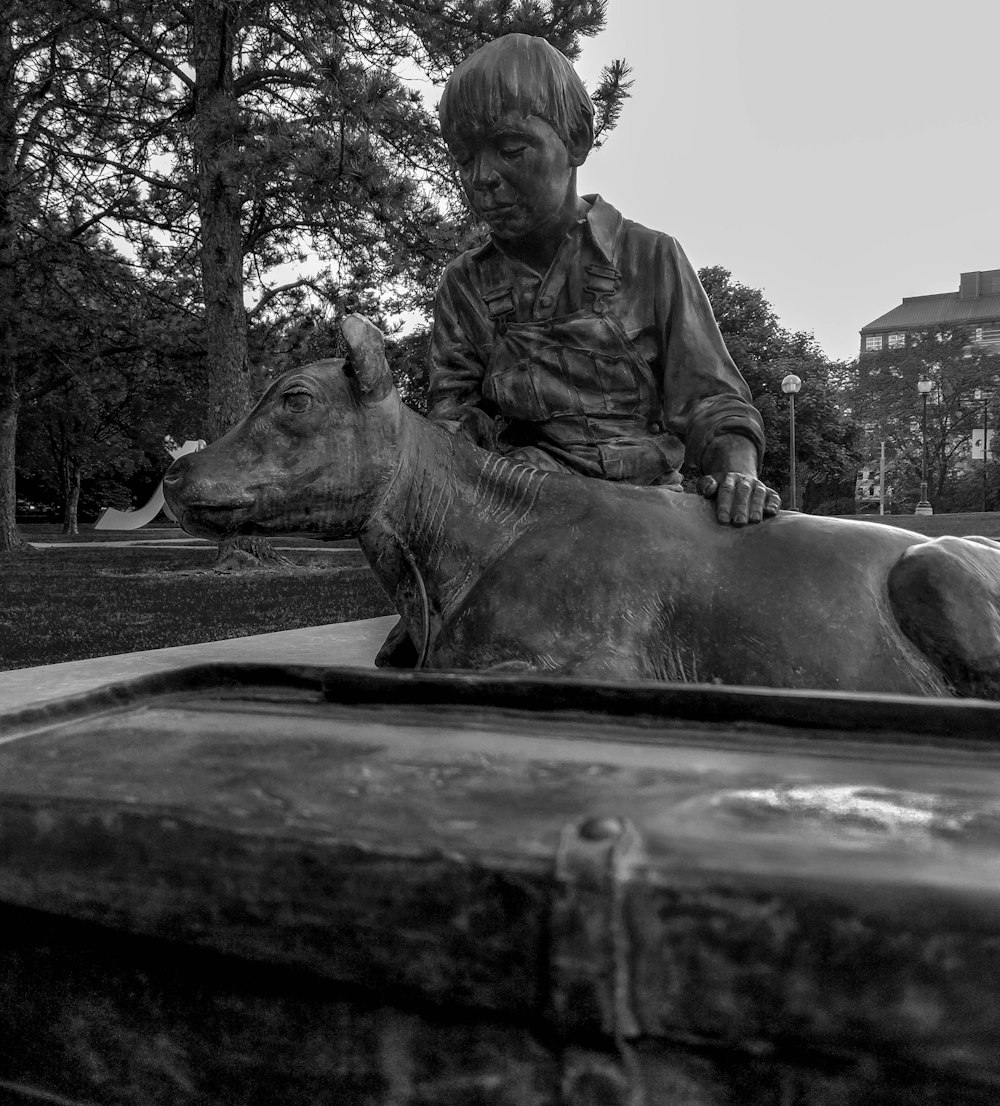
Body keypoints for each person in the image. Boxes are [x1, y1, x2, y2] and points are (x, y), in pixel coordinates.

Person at [377, 33, 779, 666]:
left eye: (511, 148)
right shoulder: (465, 285)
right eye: (463, 158)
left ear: (577, 143)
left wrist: (737, 470)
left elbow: (711, 400)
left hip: (644, 515)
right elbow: (452, 421)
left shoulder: (650, 258)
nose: (482, 179)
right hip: (530, 519)